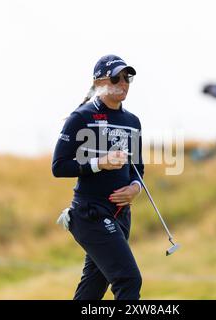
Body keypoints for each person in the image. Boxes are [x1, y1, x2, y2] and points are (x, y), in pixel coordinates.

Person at [52, 54, 144, 300]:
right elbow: (59, 166)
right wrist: (99, 163)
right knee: (129, 279)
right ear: (100, 81)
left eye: (128, 77)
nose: (123, 83)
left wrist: (135, 188)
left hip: (121, 215)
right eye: (116, 77)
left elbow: (138, 169)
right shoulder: (81, 118)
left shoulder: (133, 122)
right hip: (90, 213)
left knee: (92, 290)